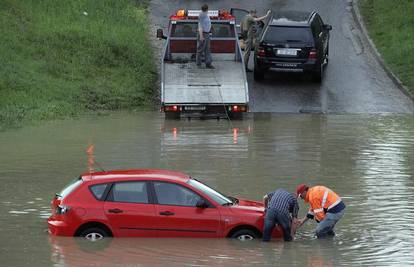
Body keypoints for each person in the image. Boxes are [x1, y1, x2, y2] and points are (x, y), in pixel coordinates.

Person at [196, 4, 214, 69]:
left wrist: (209, 31)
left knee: (207, 49)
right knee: (200, 49)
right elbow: (200, 26)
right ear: (207, 9)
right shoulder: (202, 15)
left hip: (207, 34)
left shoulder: (205, 14)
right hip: (203, 34)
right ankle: (198, 64)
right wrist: (201, 36)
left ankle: (208, 63)